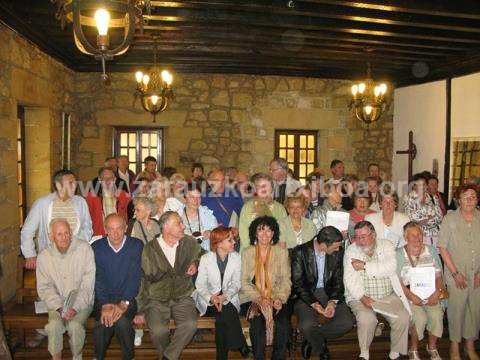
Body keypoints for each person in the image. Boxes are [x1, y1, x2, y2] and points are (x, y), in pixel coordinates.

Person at [134, 211, 203, 360]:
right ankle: (169, 356)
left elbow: (202, 254)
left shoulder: (189, 242)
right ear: (166, 228)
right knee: (158, 331)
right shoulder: (150, 249)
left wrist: (195, 263)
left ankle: (167, 357)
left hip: (182, 296)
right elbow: (143, 280)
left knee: (190, 324)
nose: (183, 226)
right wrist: (140, 309)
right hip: (156, 299)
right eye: (179, 223)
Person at [344, 221, 411, 360]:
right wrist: (362, 297)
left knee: (403, 317)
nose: (359, 241)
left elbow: (390, 268)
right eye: (357, 237)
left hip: (387, 294)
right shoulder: (351, 250)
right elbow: (350, 279)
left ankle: (395, 352)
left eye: (363, 236)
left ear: (373, 234)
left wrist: (364, 266)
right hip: (360, 296)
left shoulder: (387, 245)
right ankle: (364, 352)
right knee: (366, 319)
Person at [291, 226, 354, 359]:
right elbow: (298, 284)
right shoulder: (300, 252)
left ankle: (311, 338)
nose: (338, 249)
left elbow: (338, 280)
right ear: (324, 245)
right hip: (307, 295)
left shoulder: (338, 252)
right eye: (335, 247)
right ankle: (321, 349)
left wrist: (332, 302)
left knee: (347, 323)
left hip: (330, 292)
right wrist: (314, 304)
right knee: (306, 325)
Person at [37, 219, 95, 360]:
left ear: (71, 233)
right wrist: (59, 307)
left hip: (82, 302)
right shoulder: (44, 256)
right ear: (52, 237)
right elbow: (44, 287)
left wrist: (74, 308)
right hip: (57, 303)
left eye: (67, 233)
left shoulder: (84, 249)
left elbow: (88, 285)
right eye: (59, 234)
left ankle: (77, 356)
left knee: (75, 326)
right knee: (54, 326)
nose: (64, 237)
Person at [91, 214, 143, 360]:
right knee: (103, 322)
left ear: (126, 228)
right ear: (105, 229)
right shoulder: (97, 247)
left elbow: (135, 277)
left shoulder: (136, 245)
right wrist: (105, 304)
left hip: (128, 297)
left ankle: (128, 356)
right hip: (103, 298)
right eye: (111, 229)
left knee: (122, 322)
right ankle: (98, 357)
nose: (115, 233)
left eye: (119, 228)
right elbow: (97, 278)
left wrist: (124, 302)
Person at [193, 226, 249, 359]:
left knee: (222, 318)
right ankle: (239, 342)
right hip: (208, 301)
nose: (234, 242)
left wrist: (225, 296)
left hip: (228, 298)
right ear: (218, 243)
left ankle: (222, 357)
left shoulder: (236, 258)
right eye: (230, 240)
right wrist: (212, 298)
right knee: (224, 312)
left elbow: (236, 283)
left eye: (233, 239)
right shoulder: (206, 258)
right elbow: (200, 285)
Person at [240, 216, 291, 360]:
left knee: (283, 324)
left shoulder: (281, 252)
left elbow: (286, 280)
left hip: (275, 296)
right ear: (255, 233)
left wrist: (279, 298)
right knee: (257, 324)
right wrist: (259, 298)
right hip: (252, 298)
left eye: (269, 231)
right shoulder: (247, 252)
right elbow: (243, 282)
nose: (265, 234)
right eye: (261, 230)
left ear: (273, 234)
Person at [438, 184, 480, 360]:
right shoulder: (450, 219)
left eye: (473, 196)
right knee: (456, 310)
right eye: (465, 197)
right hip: (456, 274)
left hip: (477, 274)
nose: (469, 200)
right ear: (458, 200)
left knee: (475, 310)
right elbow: (442, 247)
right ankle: (454, 346)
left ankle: (470, 346)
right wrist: (455, 273)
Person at [21, 169, 92, 270]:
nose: (75, 186)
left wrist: (77, 244)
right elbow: (27, 231)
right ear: (58, 185)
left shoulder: (80, 202)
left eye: (75, 182)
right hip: (50, 257)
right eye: (70, 183)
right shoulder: (42, 203)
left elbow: (87, 227)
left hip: (75, 256)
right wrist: (29, 255)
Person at [396, 222, 444, 360]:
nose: (417, 238)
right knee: (419, 319)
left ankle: (432, 347)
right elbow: (397, 281)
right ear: (406, 237)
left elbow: (439, 275)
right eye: (413, 235)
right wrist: (411, 296)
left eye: (419, 234)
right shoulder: (399, 253)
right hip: (410, 294)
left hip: (431, 292)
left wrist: (437, 292)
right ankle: (413, 348)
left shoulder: (431, 250)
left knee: (436, 316)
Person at [238, 173, 287, 251]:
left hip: (273, 252)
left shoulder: (280, 208)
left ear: (271, 188)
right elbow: (244, 232)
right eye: (259, 186)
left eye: (266, 186)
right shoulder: (247, 207)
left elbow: (283, 232)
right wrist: (255, 249)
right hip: (251, 251)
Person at [86, 167, 130, 237]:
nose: (107, 181)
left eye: (110, 178)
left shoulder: (124, 196)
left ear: (115, 179)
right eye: (104, 178)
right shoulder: (91, 197)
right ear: (99, 180)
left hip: (119, 234)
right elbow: (87, 219)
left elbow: (129, 216)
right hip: (100, 234)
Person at [404, 173, 443, 247]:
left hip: (435, 235)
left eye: (424, 184)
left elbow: (440, 217)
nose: (422, 186)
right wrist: (429, 217)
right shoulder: (409, 199)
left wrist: (425, 220)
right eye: (419, 184)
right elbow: (411, 218)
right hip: (418, 235)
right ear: (414, 186)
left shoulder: (433, 198)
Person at [181, 183, 218, 251]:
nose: (196, 201)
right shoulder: (177, 216)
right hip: (184, 254)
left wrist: (211, 233)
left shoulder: (207, 214)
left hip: (205, 254)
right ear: (184, 199)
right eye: (192, 197)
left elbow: (216, 232)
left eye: (198, 197)